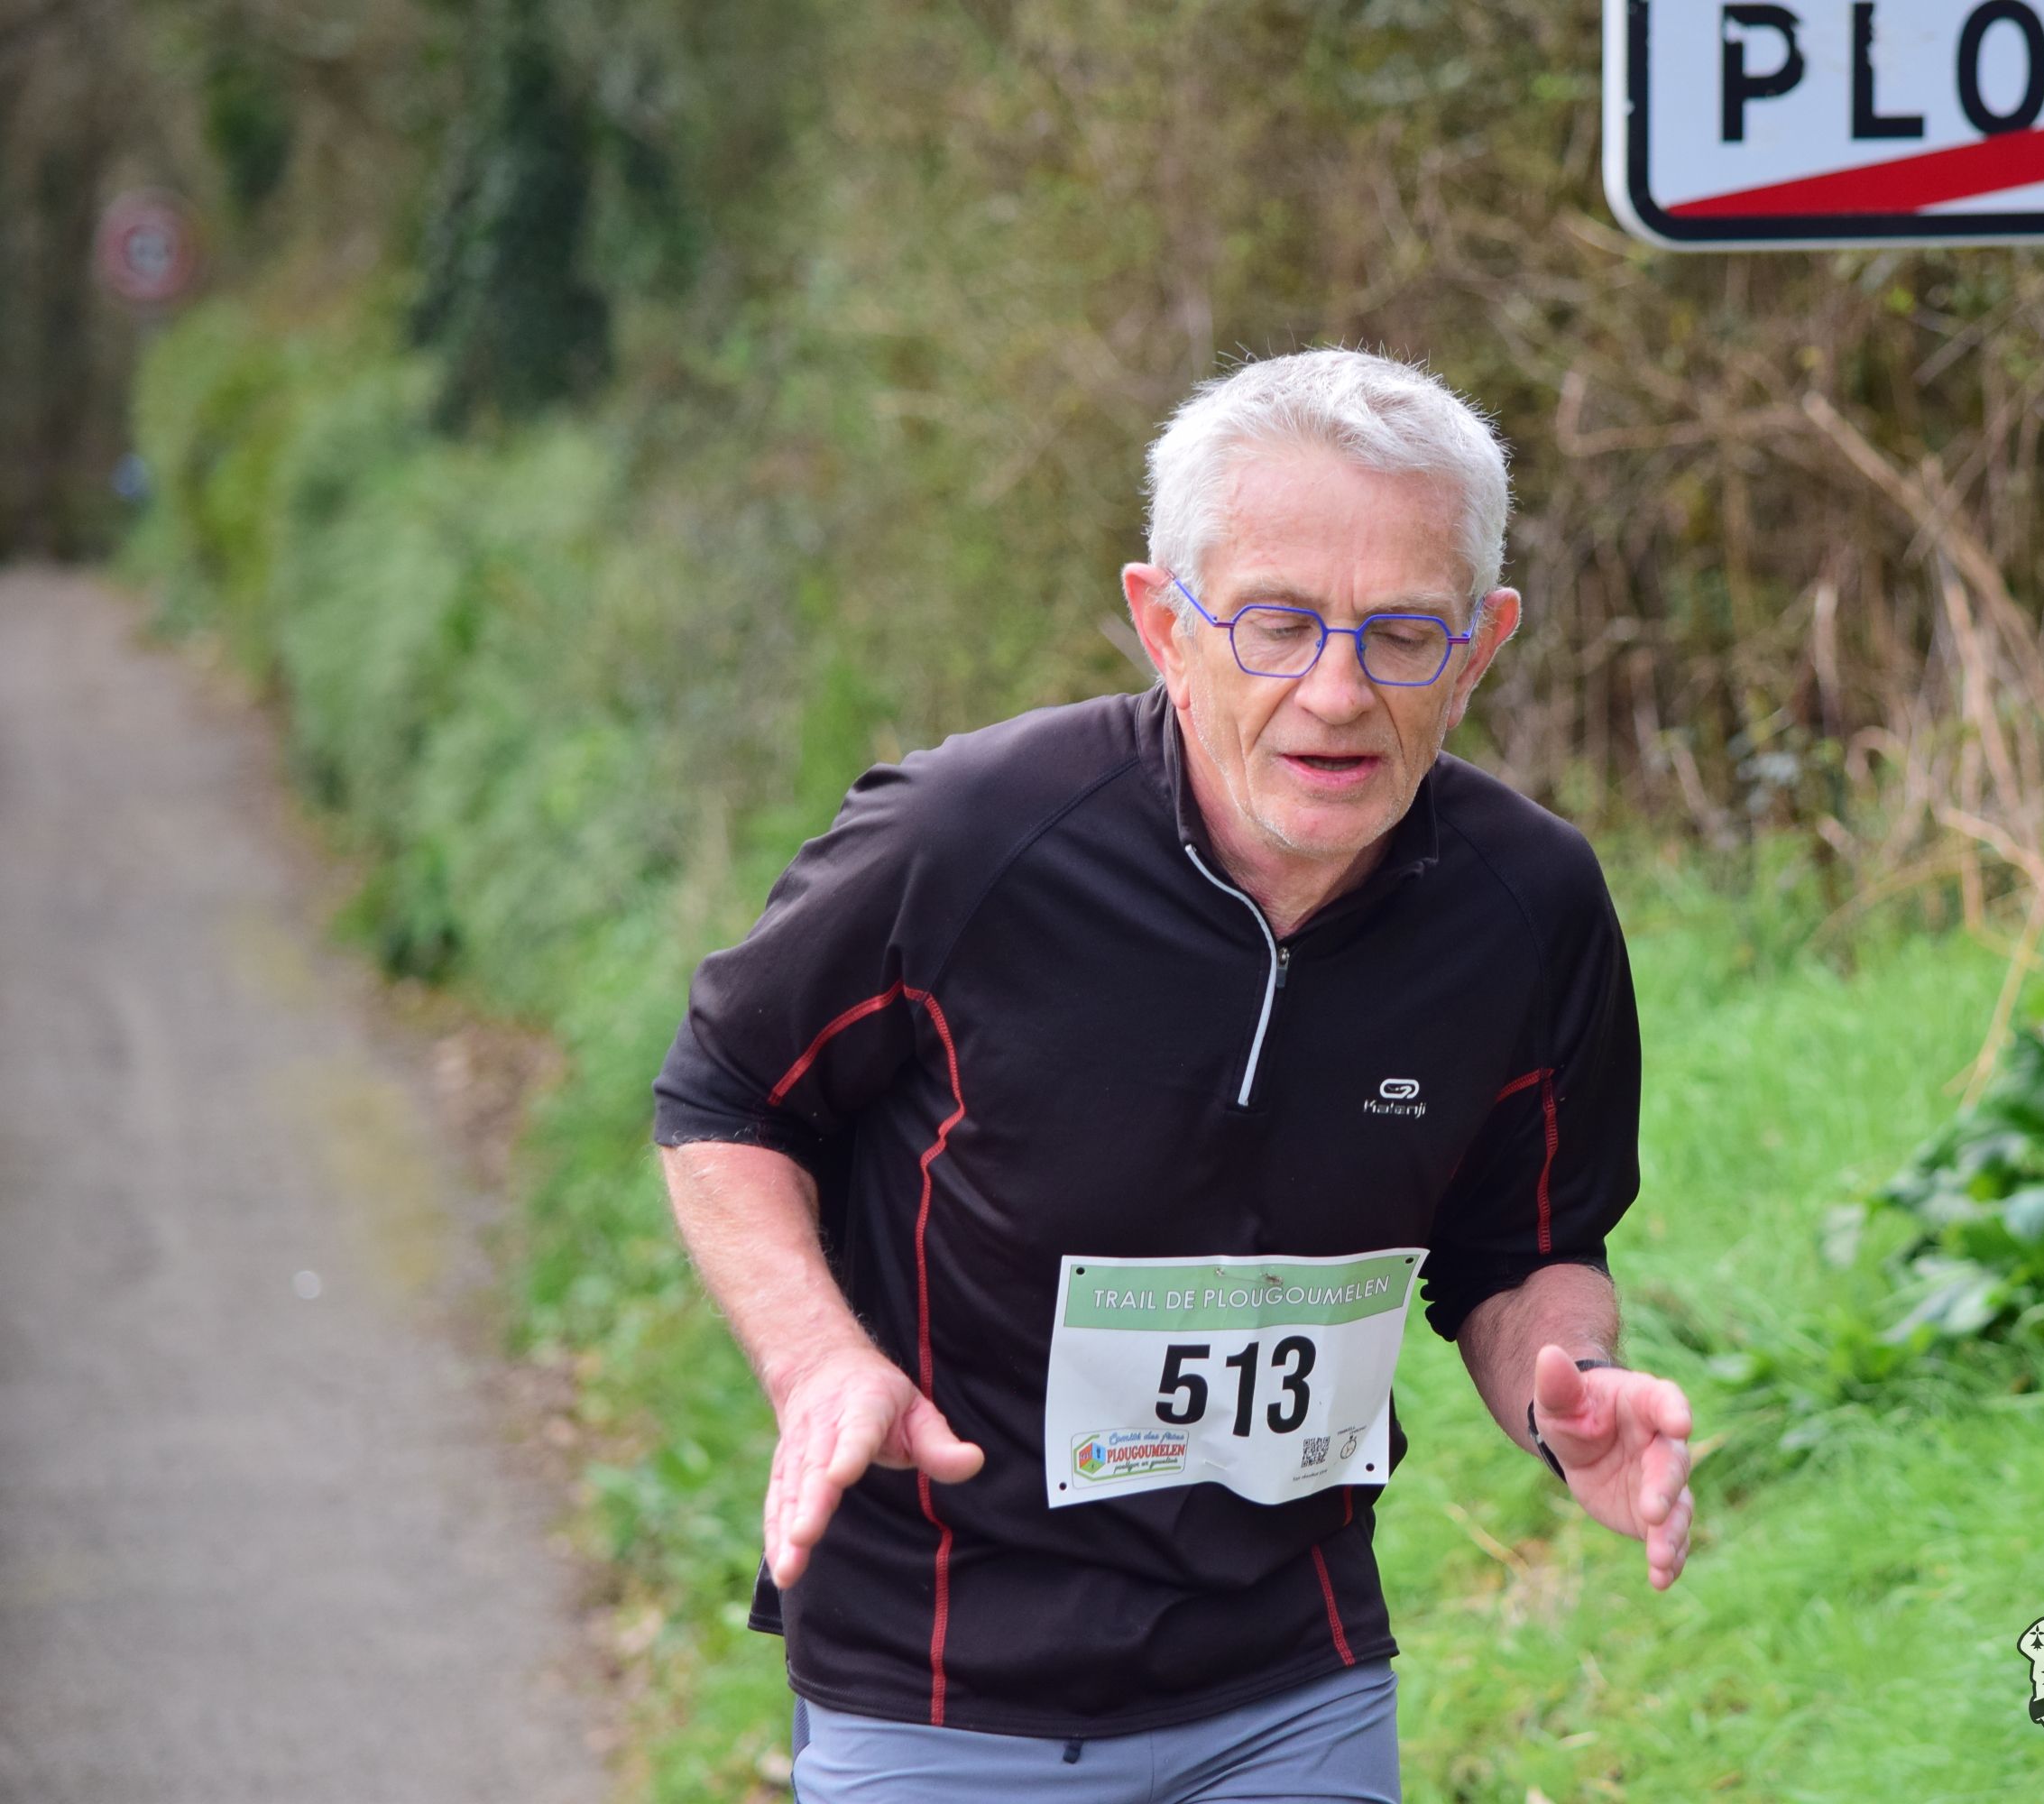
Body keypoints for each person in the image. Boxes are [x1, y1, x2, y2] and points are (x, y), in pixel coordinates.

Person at [652, 347, 1695, 1802]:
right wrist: (818, 1360)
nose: (1337, 692)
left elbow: (1522, 1252)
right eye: (1276, 624)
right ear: (1164, 624)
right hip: (940, 1680)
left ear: (1483, 645)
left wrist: (1567, 1393)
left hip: (1294, 1678)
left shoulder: (1530, 906)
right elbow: (727, 1097)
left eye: (1404, 634)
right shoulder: (965, 841)